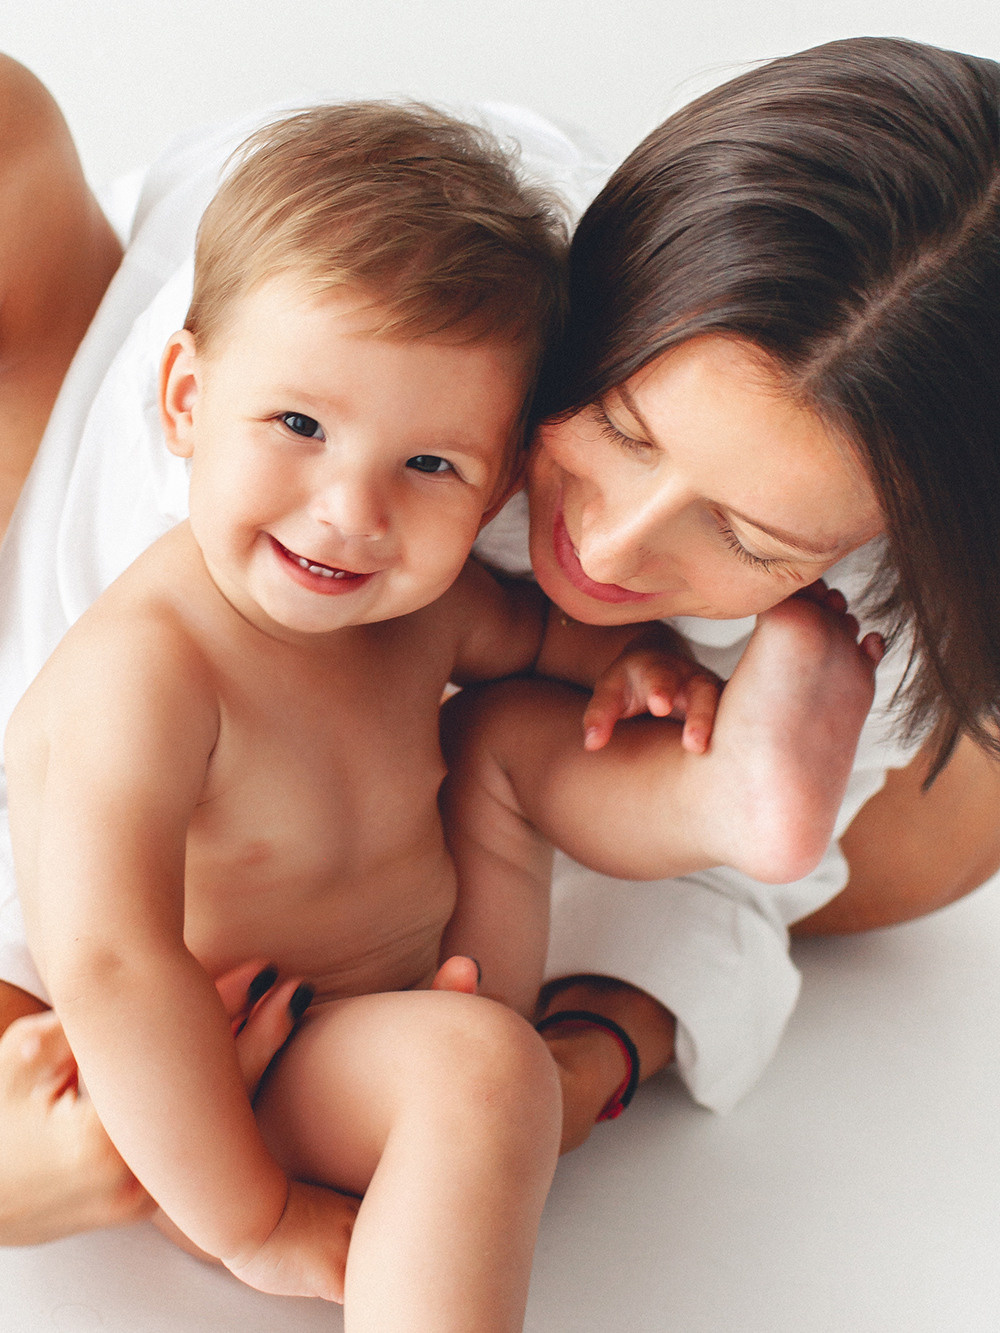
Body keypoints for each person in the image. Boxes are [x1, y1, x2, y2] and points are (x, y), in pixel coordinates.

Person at [2, 33, 1000, 1242]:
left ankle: (716, 783)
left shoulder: (885, 584)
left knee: (960, 812)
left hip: (378, 877)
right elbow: (95, 930)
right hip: (121, 509)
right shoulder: (385, 364)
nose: (615, 545)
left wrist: (575, 1059)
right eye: (620, 426)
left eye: (746, 535)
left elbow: (546, 685)